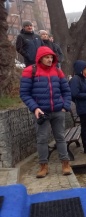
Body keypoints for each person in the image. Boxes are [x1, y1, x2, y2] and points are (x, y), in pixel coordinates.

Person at [19, 46, 72, 178]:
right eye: (47, 57)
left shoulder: (58, 71)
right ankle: (43, 166)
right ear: (40, 58)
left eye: (51, 57)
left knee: (60, 137)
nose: (49, 59)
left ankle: (65, 164)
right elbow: (24, 93)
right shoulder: (29, 71)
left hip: (58, 111)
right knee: (42, 139)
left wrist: (65, 106)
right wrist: (35, 108)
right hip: (41, 112)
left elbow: (66, 91)